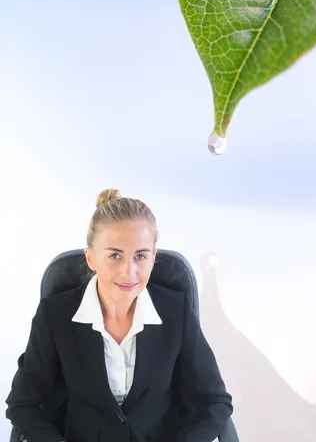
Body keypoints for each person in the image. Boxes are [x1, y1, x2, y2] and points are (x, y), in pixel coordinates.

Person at [5, 188, 233, 442]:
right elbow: (23, 404)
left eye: (140, 256)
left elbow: (214, 402)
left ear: (153, 257)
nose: (129, 271)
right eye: (115, 255)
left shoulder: (175, 311)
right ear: (90, 258)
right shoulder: (55, 315)